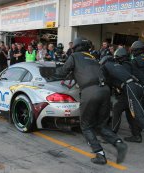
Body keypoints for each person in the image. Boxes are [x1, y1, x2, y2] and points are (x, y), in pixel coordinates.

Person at [53, 37, 128, 165]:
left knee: (86, 126)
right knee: (102, 125)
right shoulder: (93, 58)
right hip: (105, 90)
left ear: (75, 47)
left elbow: (62, 72)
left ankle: (100, 154)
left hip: (90, 91)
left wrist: (54, 71)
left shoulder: (75, 56)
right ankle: (118, 143)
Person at [99, 52, 144, 166]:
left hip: (131, 89)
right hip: (138, 88)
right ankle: (138, 135)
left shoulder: (109, 66)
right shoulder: (121, 66)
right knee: (129, 112)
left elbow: (102, 82)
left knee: (139, 117)